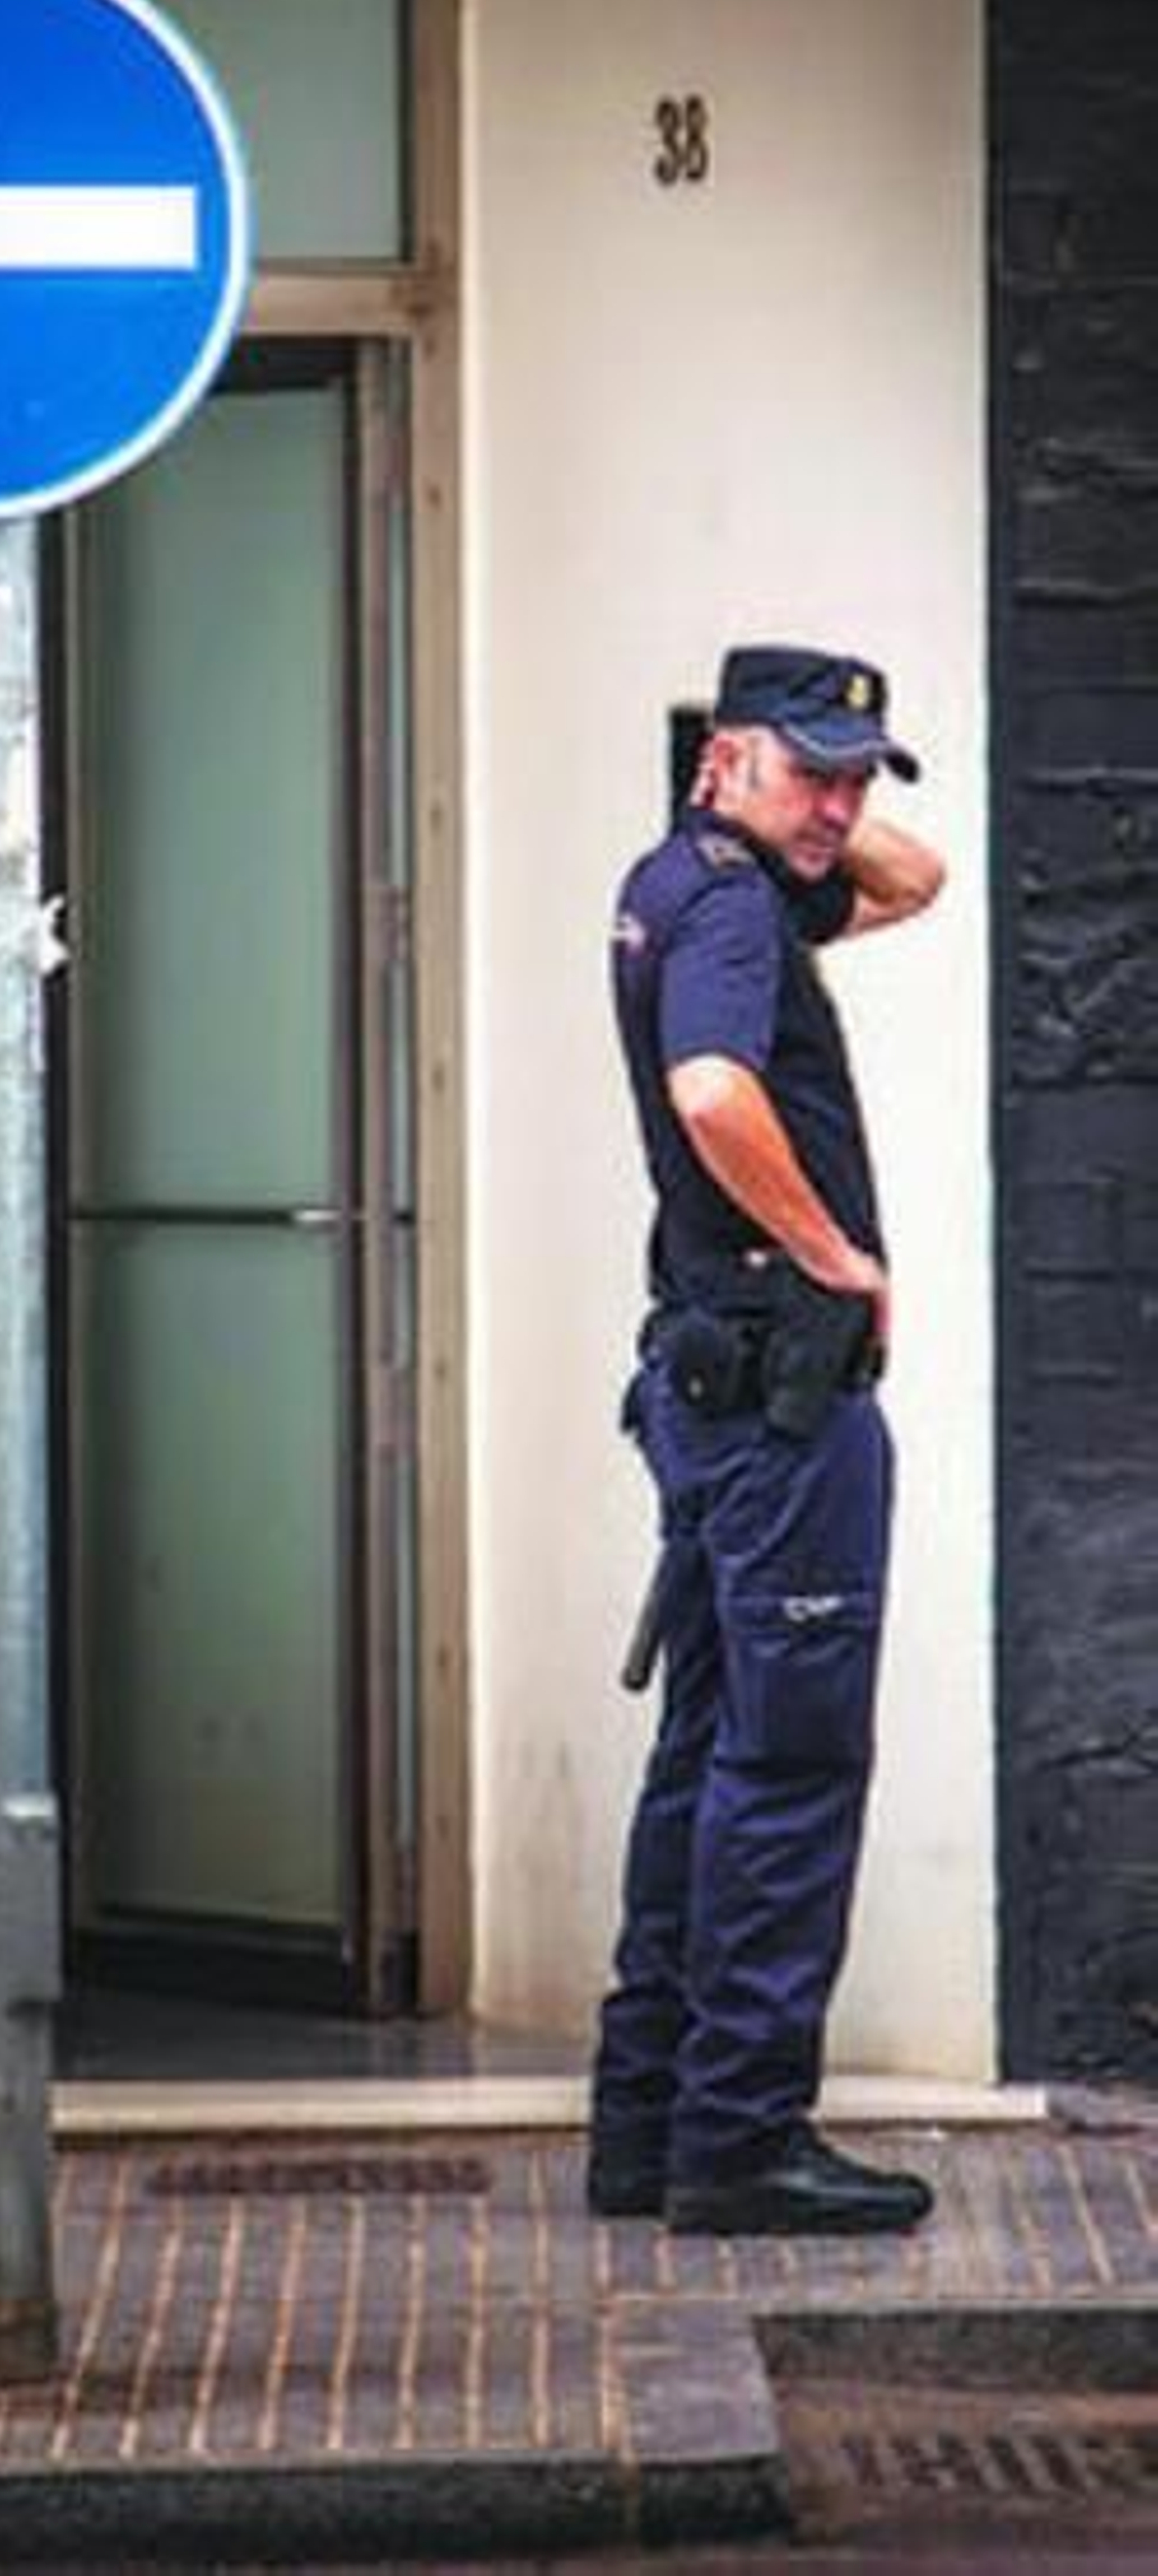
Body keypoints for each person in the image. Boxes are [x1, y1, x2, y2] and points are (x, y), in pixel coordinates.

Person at [587, 642, 946, 2238]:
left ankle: (647, 2124)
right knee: (789, 1768)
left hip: (711, 1389)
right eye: (813, 771)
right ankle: (738, 2139)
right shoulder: (737, 910)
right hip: (779, 1400)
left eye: (857, 776)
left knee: (708, 1758)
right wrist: (835, 1257)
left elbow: (917, 879)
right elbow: (715, 1089)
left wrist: (796, 805)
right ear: (723, 755)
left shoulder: (681, 880)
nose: (843, 808)